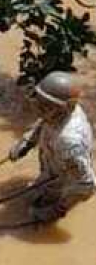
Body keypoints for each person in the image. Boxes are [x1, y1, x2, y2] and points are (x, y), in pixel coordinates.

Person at [8, 71, 95, 223]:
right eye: (39, 101)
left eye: (46, 106)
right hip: (53, 158)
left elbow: (87, 185)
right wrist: (28, 140)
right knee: (30, 195)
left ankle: (49, 200)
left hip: (62, 179)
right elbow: (45, 120)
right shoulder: (59, 111)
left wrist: (56, 211)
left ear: (64, 109)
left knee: (33, 213)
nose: (38, 108)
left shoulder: (68, 141)